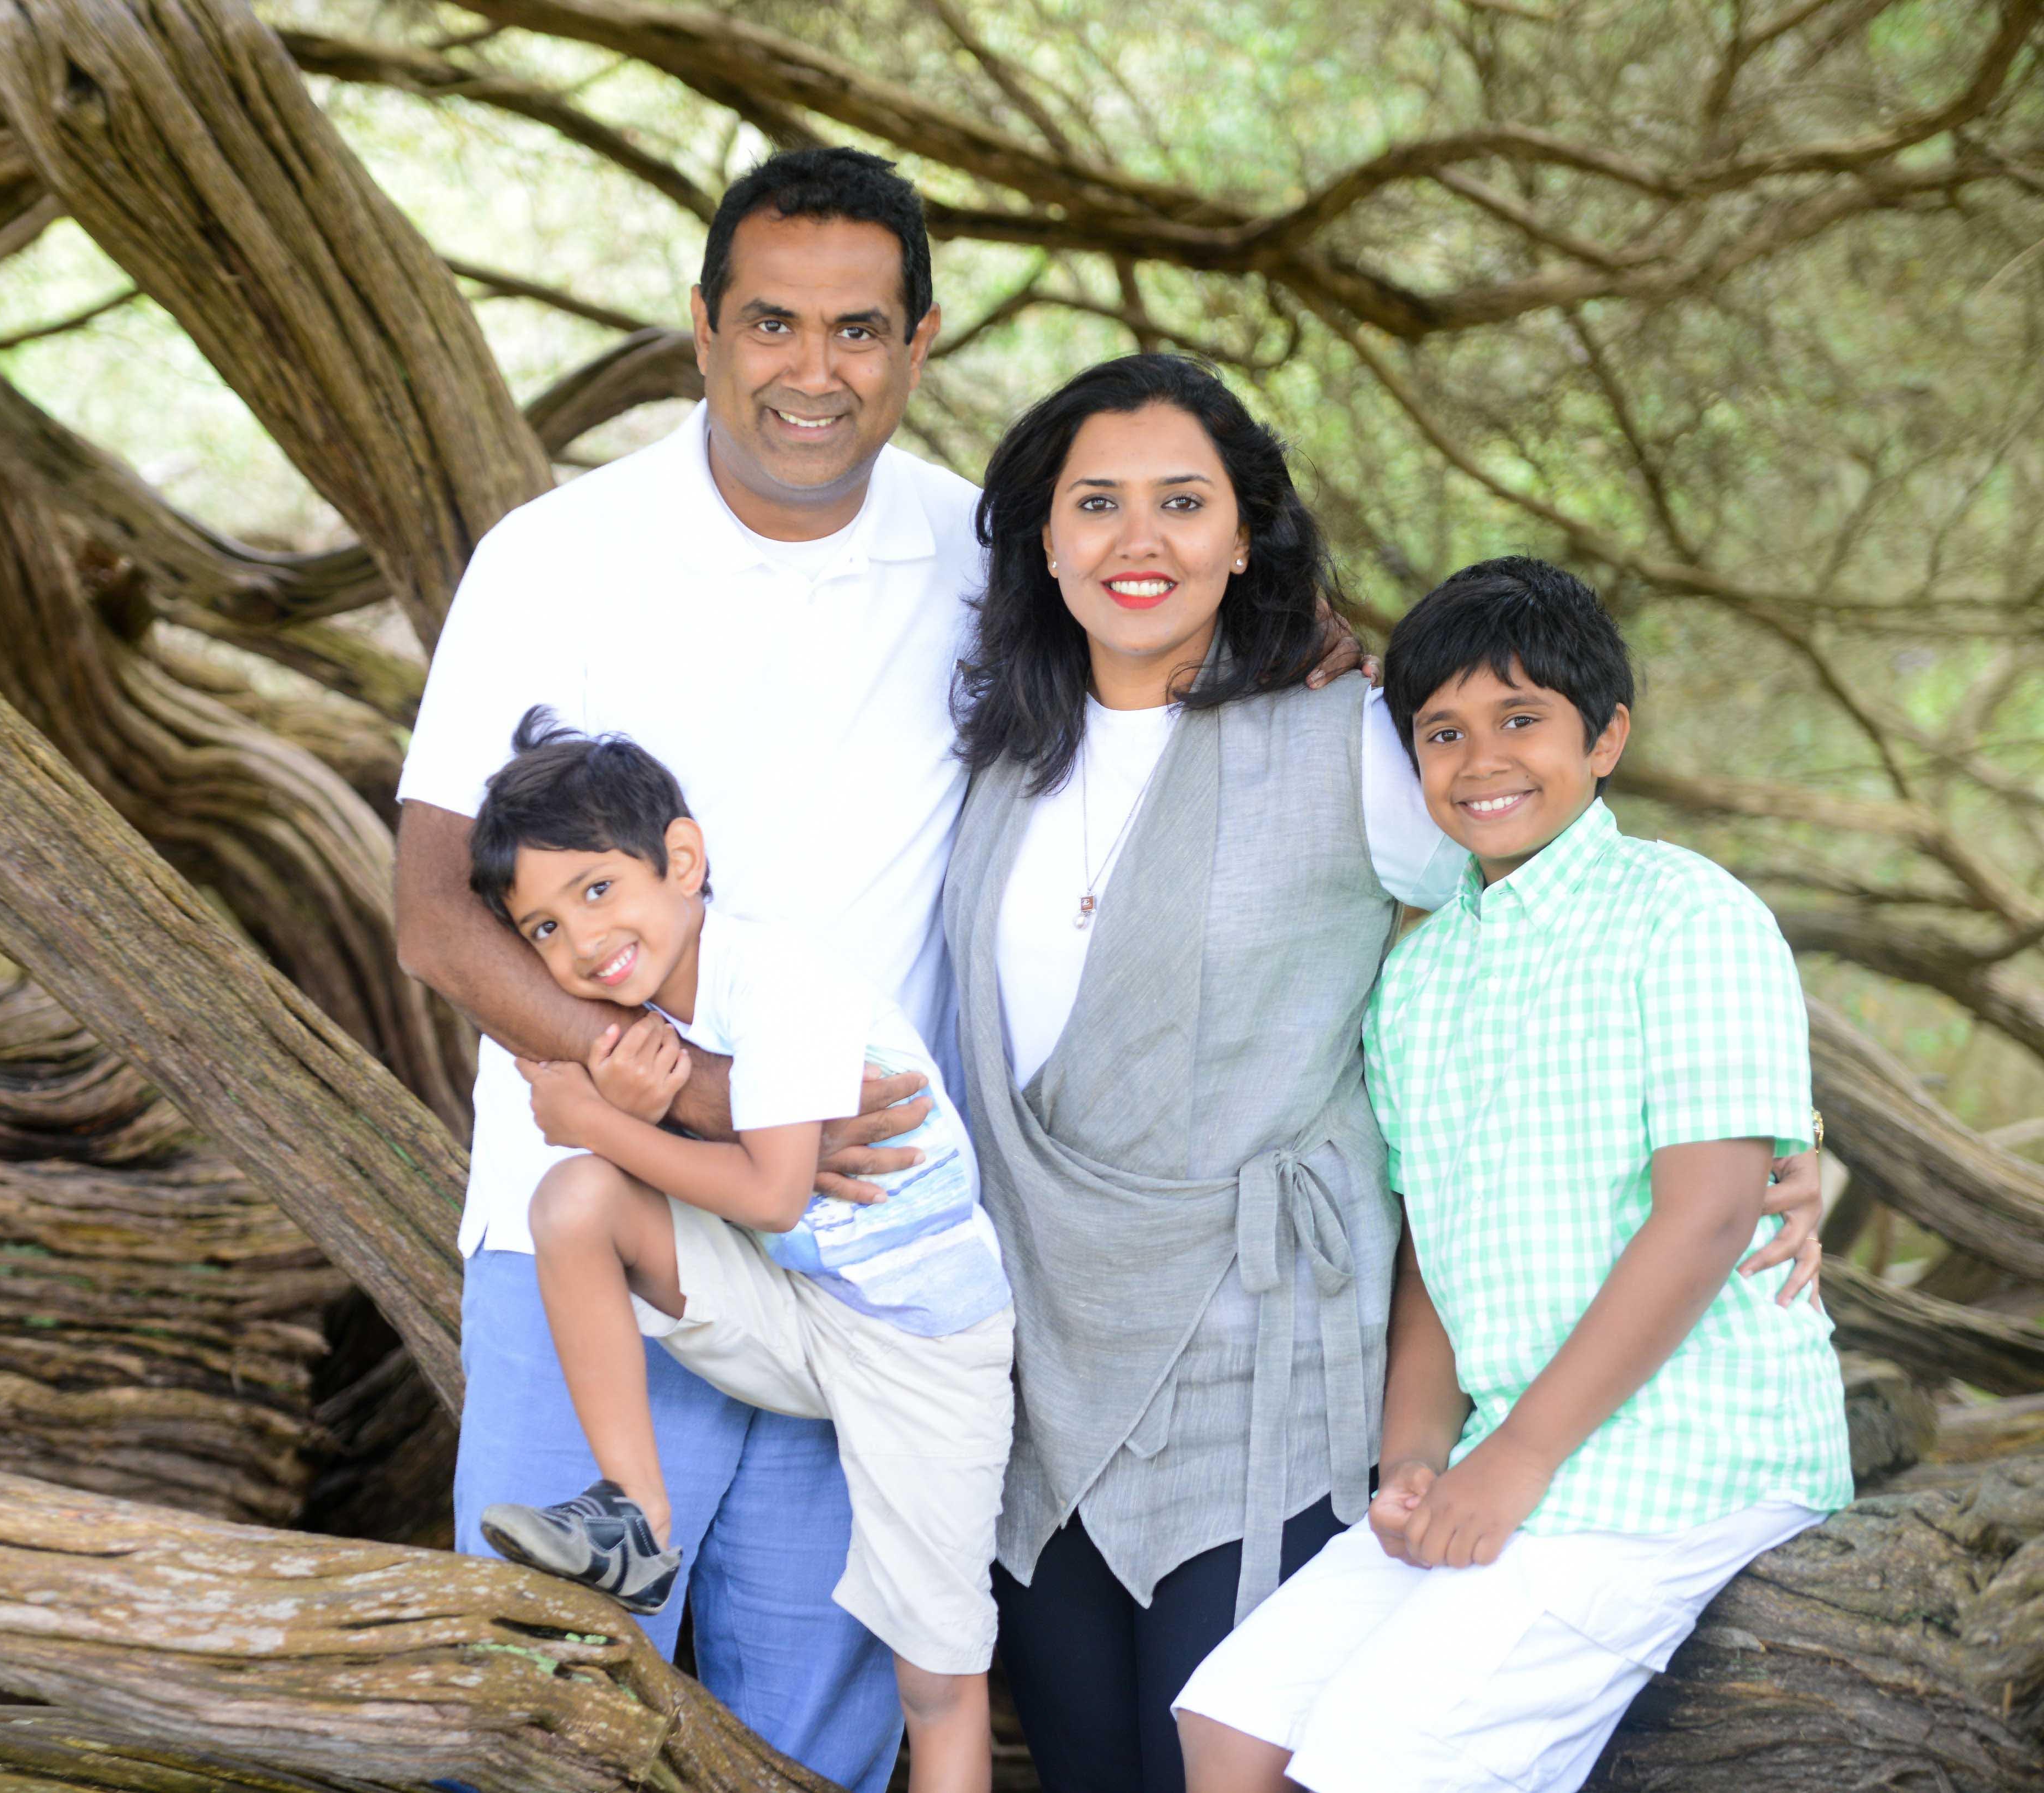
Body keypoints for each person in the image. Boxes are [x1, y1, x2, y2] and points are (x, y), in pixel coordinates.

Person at [937, 357, 1831, 1793]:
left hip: (1264, 1355)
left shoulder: (1346, 746)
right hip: (1039, 1336)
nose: (1140, 538)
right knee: (1118, 1757)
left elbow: (1549, 884)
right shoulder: (988, 753)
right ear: (1044, 534)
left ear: (1248, 534)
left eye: (1184, 501)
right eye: (1097, 503)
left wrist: (1785, 1146)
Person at [395, 145, 981, 1789]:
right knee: (537, 1713)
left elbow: (1192, 646)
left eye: (860, 330)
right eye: (774, 324)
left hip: (852, 1266)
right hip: (583, 1224)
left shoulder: (986, 558)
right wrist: (716, 1095)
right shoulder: (554, 554)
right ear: (704, 329)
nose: (816, 371)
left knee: (808, 1742)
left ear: (919, 343)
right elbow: (439, 913)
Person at [1170, 557, 1854, 1793]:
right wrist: (1417, 1454)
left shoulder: (1687, 912)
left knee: (1379, 1757)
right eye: (1444, 732)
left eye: (1522, 718)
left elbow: (1705, 1218)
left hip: (1686, 1451)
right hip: (1509, 1443)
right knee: (1230, 1720)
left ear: (1607, 738)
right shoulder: (1422, 982)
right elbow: (1437, 1243)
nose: (1483, 760)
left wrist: (1520, 1459)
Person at [463, 709, 1014, 1793]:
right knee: (574, 1200)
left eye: (597, 890)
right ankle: (636, 1515)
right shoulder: (650, 1017)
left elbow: (769, 1191)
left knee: (938, 1681)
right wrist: (615, 1121)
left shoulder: (779, 977)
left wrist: (602, 1119)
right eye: (541, 928)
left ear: (683, 858)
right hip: (800, 1309)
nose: (579, 941)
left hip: (921, 1347)